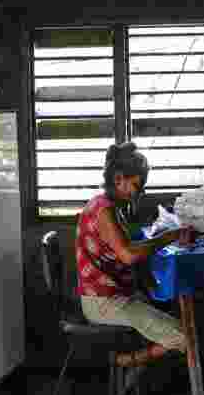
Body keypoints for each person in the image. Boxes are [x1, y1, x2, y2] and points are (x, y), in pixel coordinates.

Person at [76, 142, 194, 367]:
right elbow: (129, 255)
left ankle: (133, 370)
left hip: (113, 294)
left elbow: (125, 249)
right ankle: (126, 362)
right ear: (118, 178)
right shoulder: (104, 211)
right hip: (103, 301)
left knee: (170, 312)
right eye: (137, 186)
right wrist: (171, 236)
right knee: (185, 336)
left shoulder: (110, 206)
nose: (140, 193)